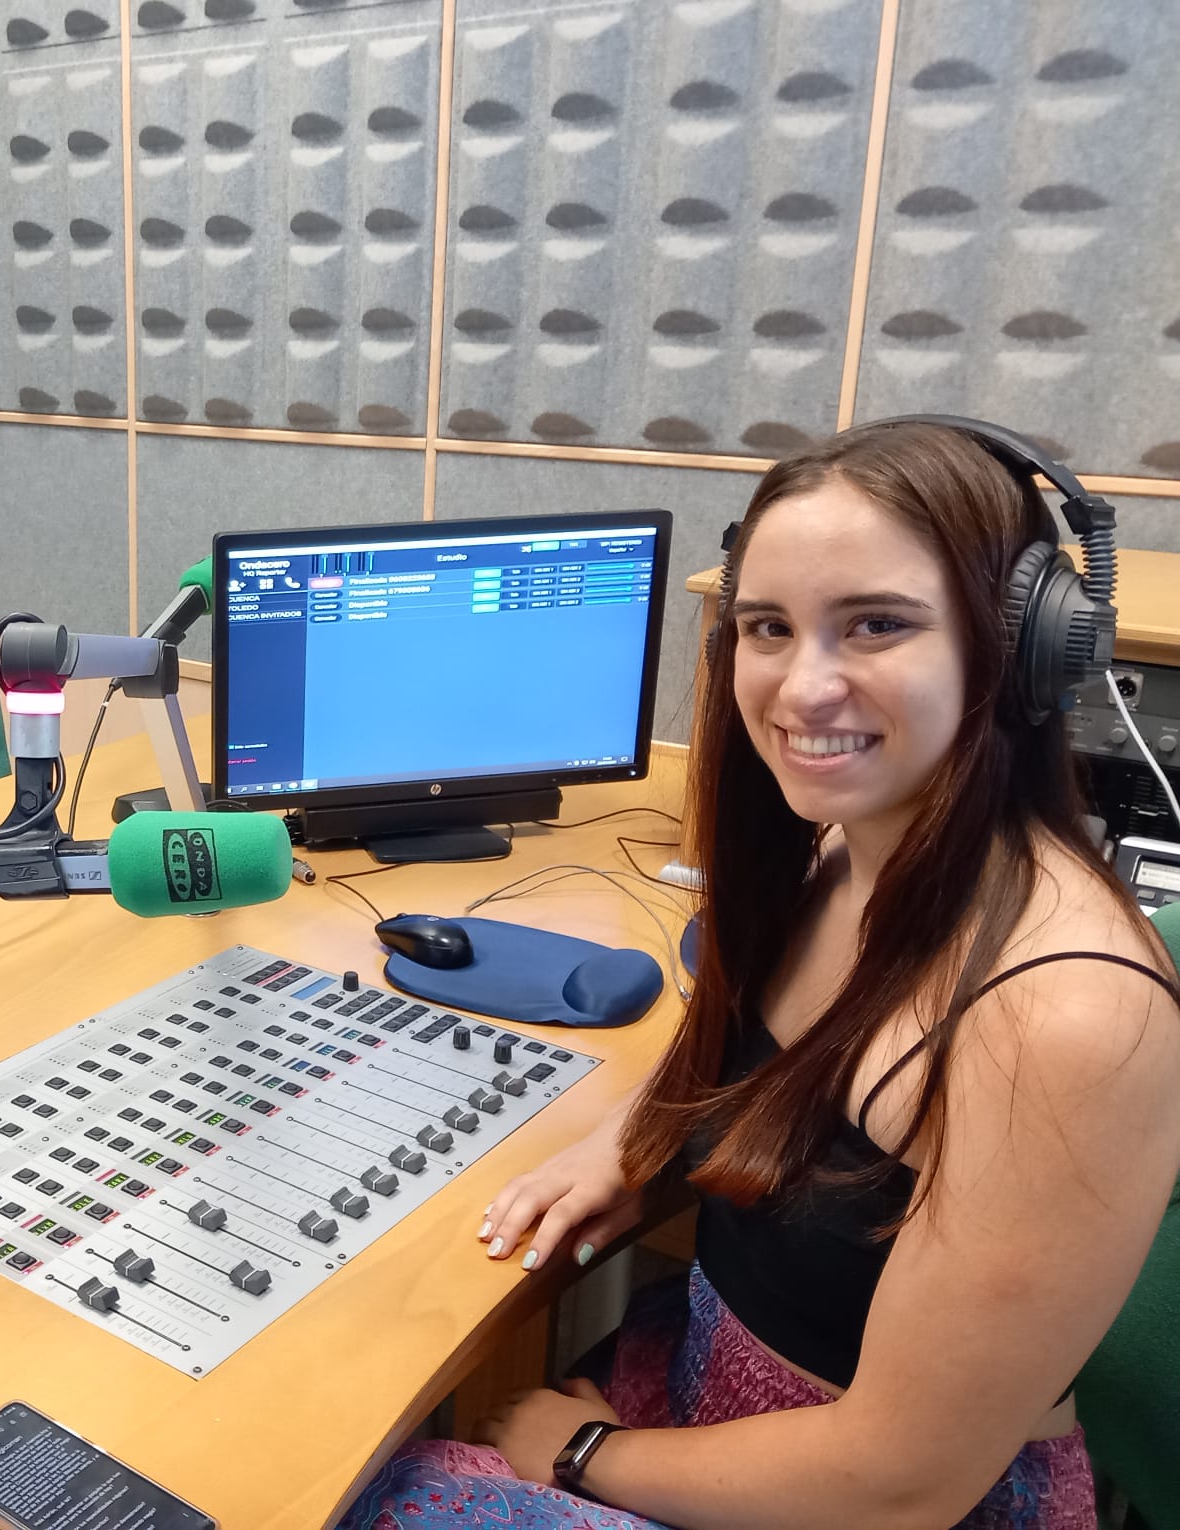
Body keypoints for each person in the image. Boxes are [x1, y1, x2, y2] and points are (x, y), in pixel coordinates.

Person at [339, 421, 1180, 1529]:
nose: (800, 688)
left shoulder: (1061, 1015)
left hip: (867, 1500)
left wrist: (584, 1453)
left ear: (1020, 648)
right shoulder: (841, 848)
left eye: (876, 625)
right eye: (768, 629)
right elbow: (762, 1073)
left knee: (357, 1491)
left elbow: (901, 1485)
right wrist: (636, 1140)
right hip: (722, 1397)